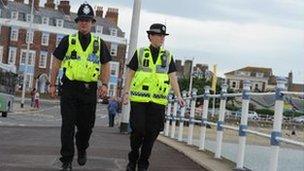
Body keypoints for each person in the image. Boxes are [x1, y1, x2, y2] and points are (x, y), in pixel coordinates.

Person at [49, 3, 111, 171]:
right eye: (81, 20)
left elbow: (106, 64)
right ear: (77, 22)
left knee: (86, 127)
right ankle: (66, 160)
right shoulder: (68, 41)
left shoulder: (99, 43)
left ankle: (82, 148)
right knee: (67, 125)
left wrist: (104, 84)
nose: (84, 23)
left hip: (89, 90)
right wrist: (52, 83)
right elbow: (56, 62)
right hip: (69, 88)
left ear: (92, 23)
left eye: (87, 20)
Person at [123, 23, 185, 171]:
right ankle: (133, 157)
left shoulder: (167, 56)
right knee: (138, 130)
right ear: (150, 36)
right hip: (139, 100)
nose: (161, 38)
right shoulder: (140, 53)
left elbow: (173, 77)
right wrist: (126, 93)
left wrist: (178, 96)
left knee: (151, 134)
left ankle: (143, 163)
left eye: (163, 36)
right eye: (158, 35)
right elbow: (130, 73)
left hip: (158, 101)